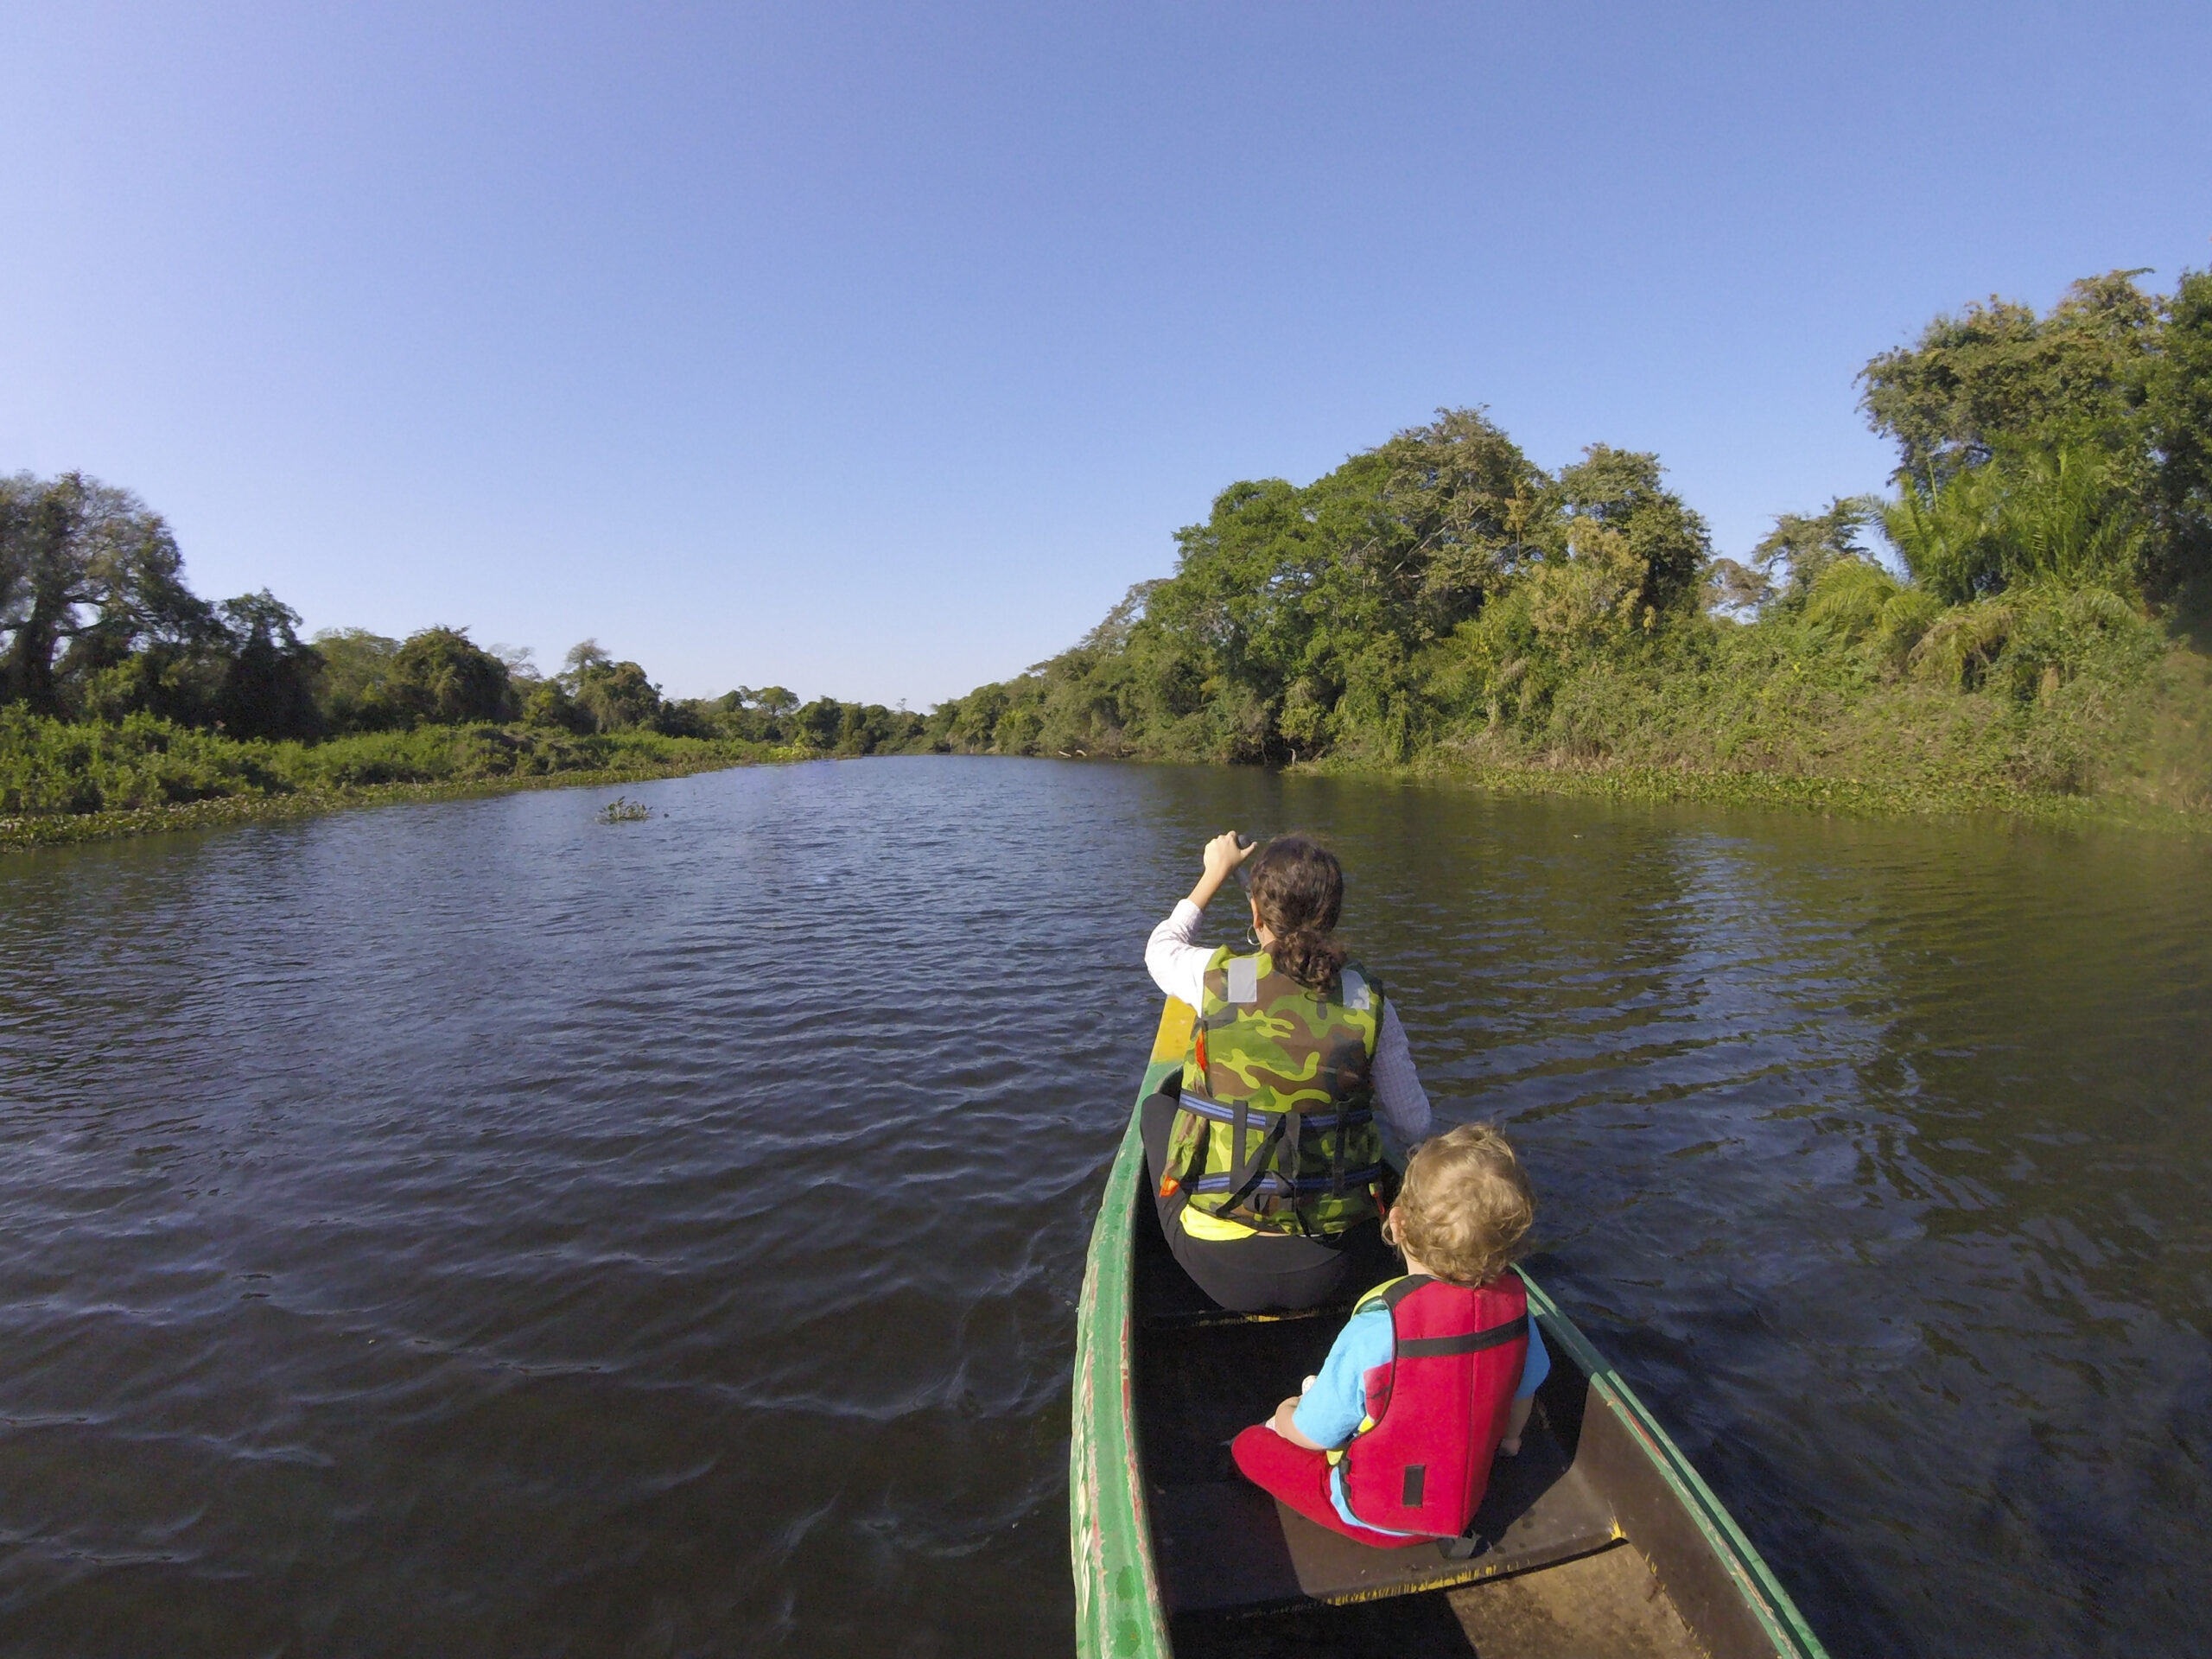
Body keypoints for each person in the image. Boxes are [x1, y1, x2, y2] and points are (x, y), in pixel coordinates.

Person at [1141, 830, 1433, 1313]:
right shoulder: (1364, 998)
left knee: (1158, 1107)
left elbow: (1161, 948)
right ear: (1332, 918)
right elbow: (1414, 1126)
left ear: (1256, 916)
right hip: (1339, 1264)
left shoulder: (1227, 980)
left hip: (1219, 1267)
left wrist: (1214, 872)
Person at [1228, 1122, 1551, 1548]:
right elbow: (1522, 1394)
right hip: (1464, 1499)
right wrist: (1508, 1441)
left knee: (1249, 1445)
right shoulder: (1515, 1314)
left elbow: (1313, 1436)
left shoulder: (1377, 1332)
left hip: (1377, 1518)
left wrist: (1287, 1412)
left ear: (1396, 1224)